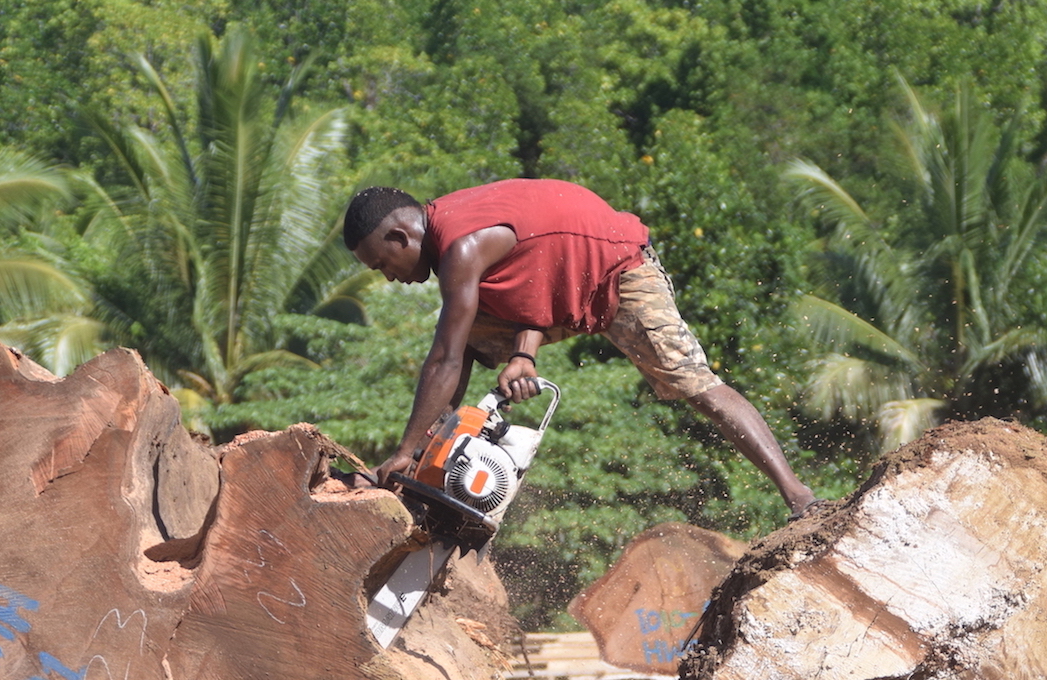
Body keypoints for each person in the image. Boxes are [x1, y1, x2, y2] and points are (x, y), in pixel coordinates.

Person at [343, 179, 817, 517]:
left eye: (383, 264)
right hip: (566, 283)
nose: (391, 277)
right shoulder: (456, 223)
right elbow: (536, 270)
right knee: (465, 338)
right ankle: (429, 466)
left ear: (399, 237)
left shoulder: (461, 248)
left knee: (695, 386)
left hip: (619, 273)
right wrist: (521, 354)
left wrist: (400, 449)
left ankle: (799, 497)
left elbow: (443, 359)